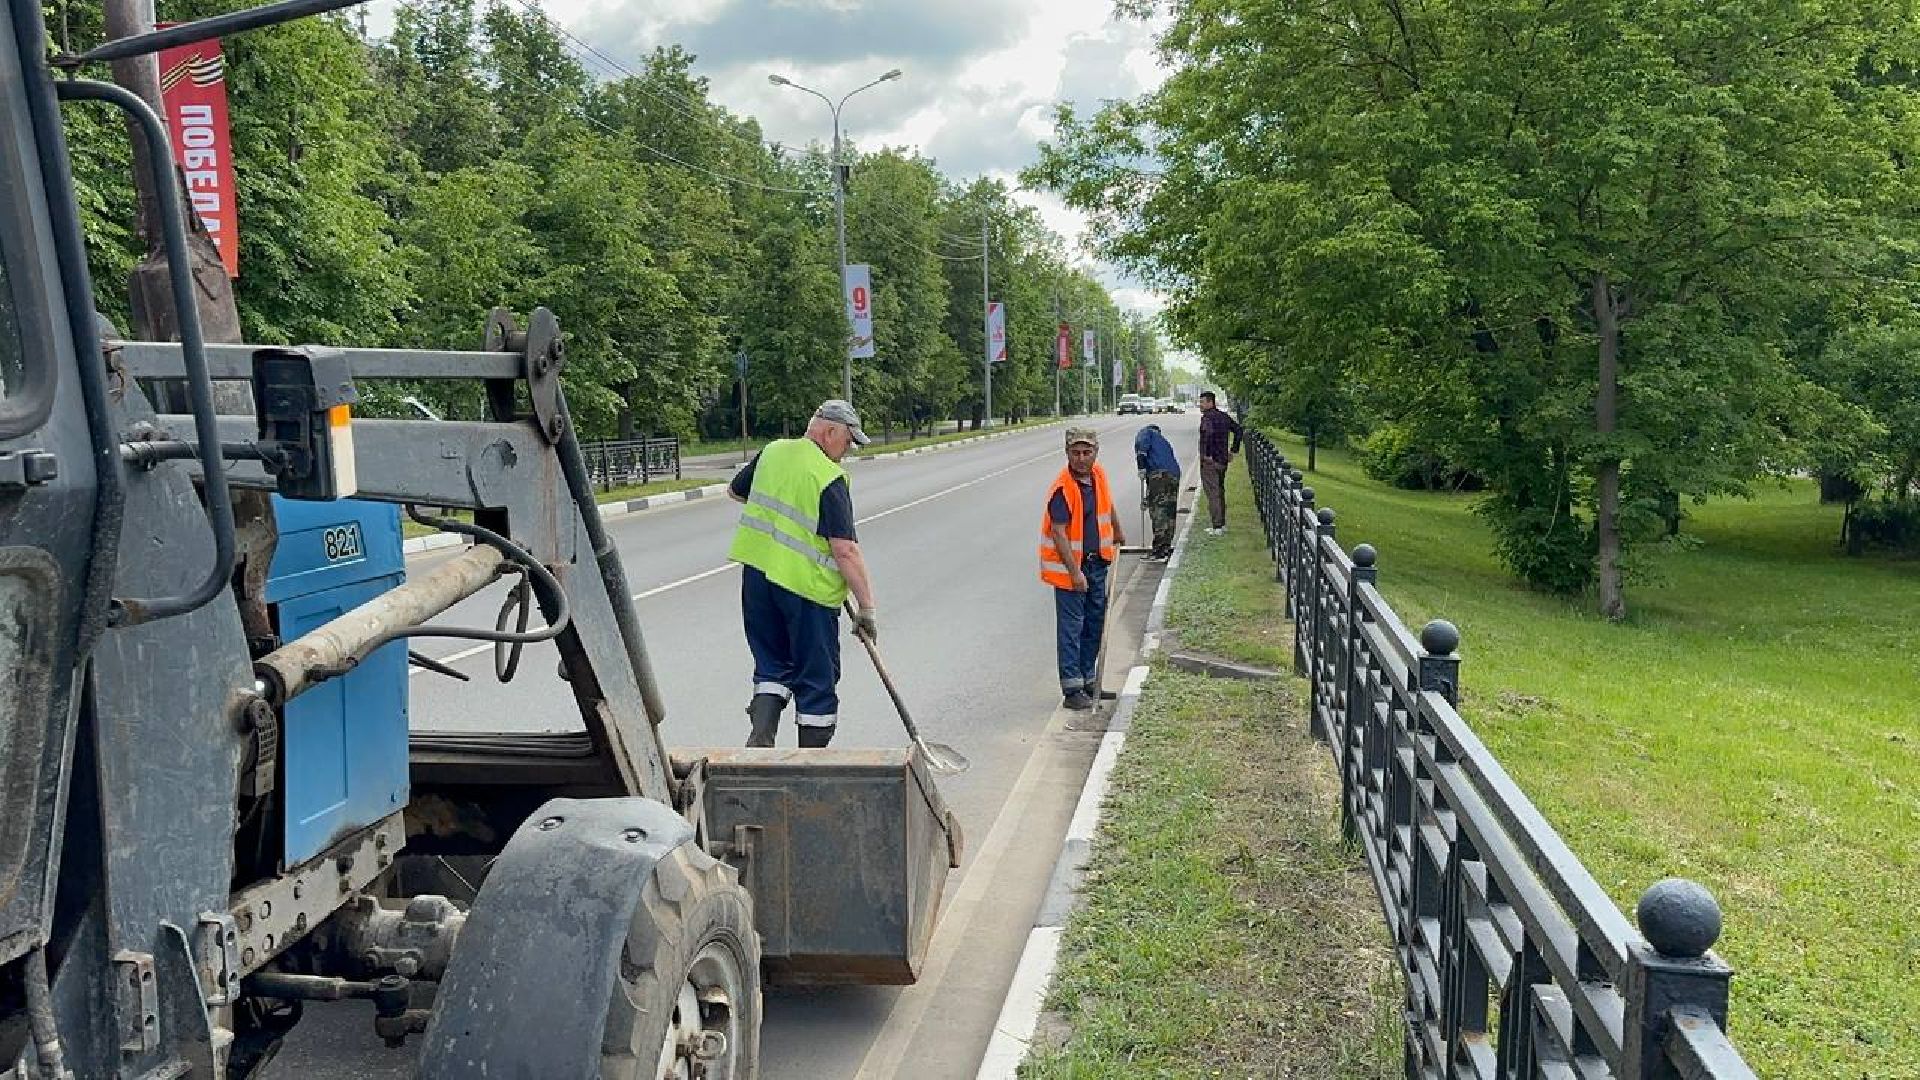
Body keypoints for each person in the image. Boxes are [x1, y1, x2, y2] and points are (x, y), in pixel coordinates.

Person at [727, 400, 879, 748]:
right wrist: (867, 607)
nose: (848, 450)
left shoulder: (774, 452)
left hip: (758, 580)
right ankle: (811, 759)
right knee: (815, 678)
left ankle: (761, 739)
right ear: (830, 432)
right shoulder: (827, 476)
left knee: (771, 663)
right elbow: (845, 550)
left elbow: (736, 491)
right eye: (849, 441)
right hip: (806, 592)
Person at [1041, 427, 1126, 710]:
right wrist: (1075, 573)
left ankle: (1090, 680)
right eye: (1075, 453)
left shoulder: (1098, 475)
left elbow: (1107, 503)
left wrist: (1117, 530)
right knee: (1072, 628)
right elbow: (1059, 532)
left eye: (1086, 452)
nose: (1081, 458)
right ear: (1067, 454)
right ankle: (1072, 688)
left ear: (1095, 453)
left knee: (1094, 623)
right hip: (1070, 571)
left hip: (1097, 563)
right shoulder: (1062, 489)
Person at [1133, 423, 1180, 562]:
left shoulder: (1146, 432)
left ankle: (1158, 552)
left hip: (1159, 475)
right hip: (1173, 475)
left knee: (1158, 512)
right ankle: (1165, 547)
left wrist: (1141, 467)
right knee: (1169, 511)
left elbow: (1142, 451)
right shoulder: (1164, 442)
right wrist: (1148, 498)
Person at [1197, 390, 1242, 535]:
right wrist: (1233, 450)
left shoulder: (1207, 418)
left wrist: (1208, 454)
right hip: (1223, 460)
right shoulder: (1224, 417)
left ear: (1211, 402)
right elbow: (1239, 430)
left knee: (1213, 493)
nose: (1200, 405)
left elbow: (1208, 435)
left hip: (1210, 462)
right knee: (1220, 491)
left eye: (1203, 402)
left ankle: (1217, 526)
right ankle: (1221, 524)